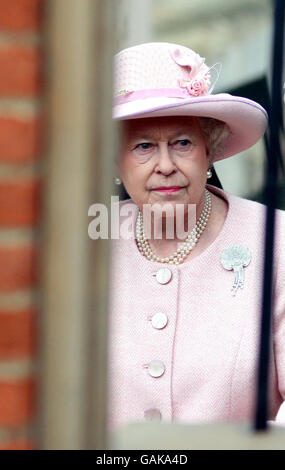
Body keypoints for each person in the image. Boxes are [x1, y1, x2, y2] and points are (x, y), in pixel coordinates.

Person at [106, 42, 285, 433]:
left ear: (210, 151)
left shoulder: (278, 241)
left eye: (182, 143)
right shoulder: (85, 249)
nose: (165, 165)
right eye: (143, 146)